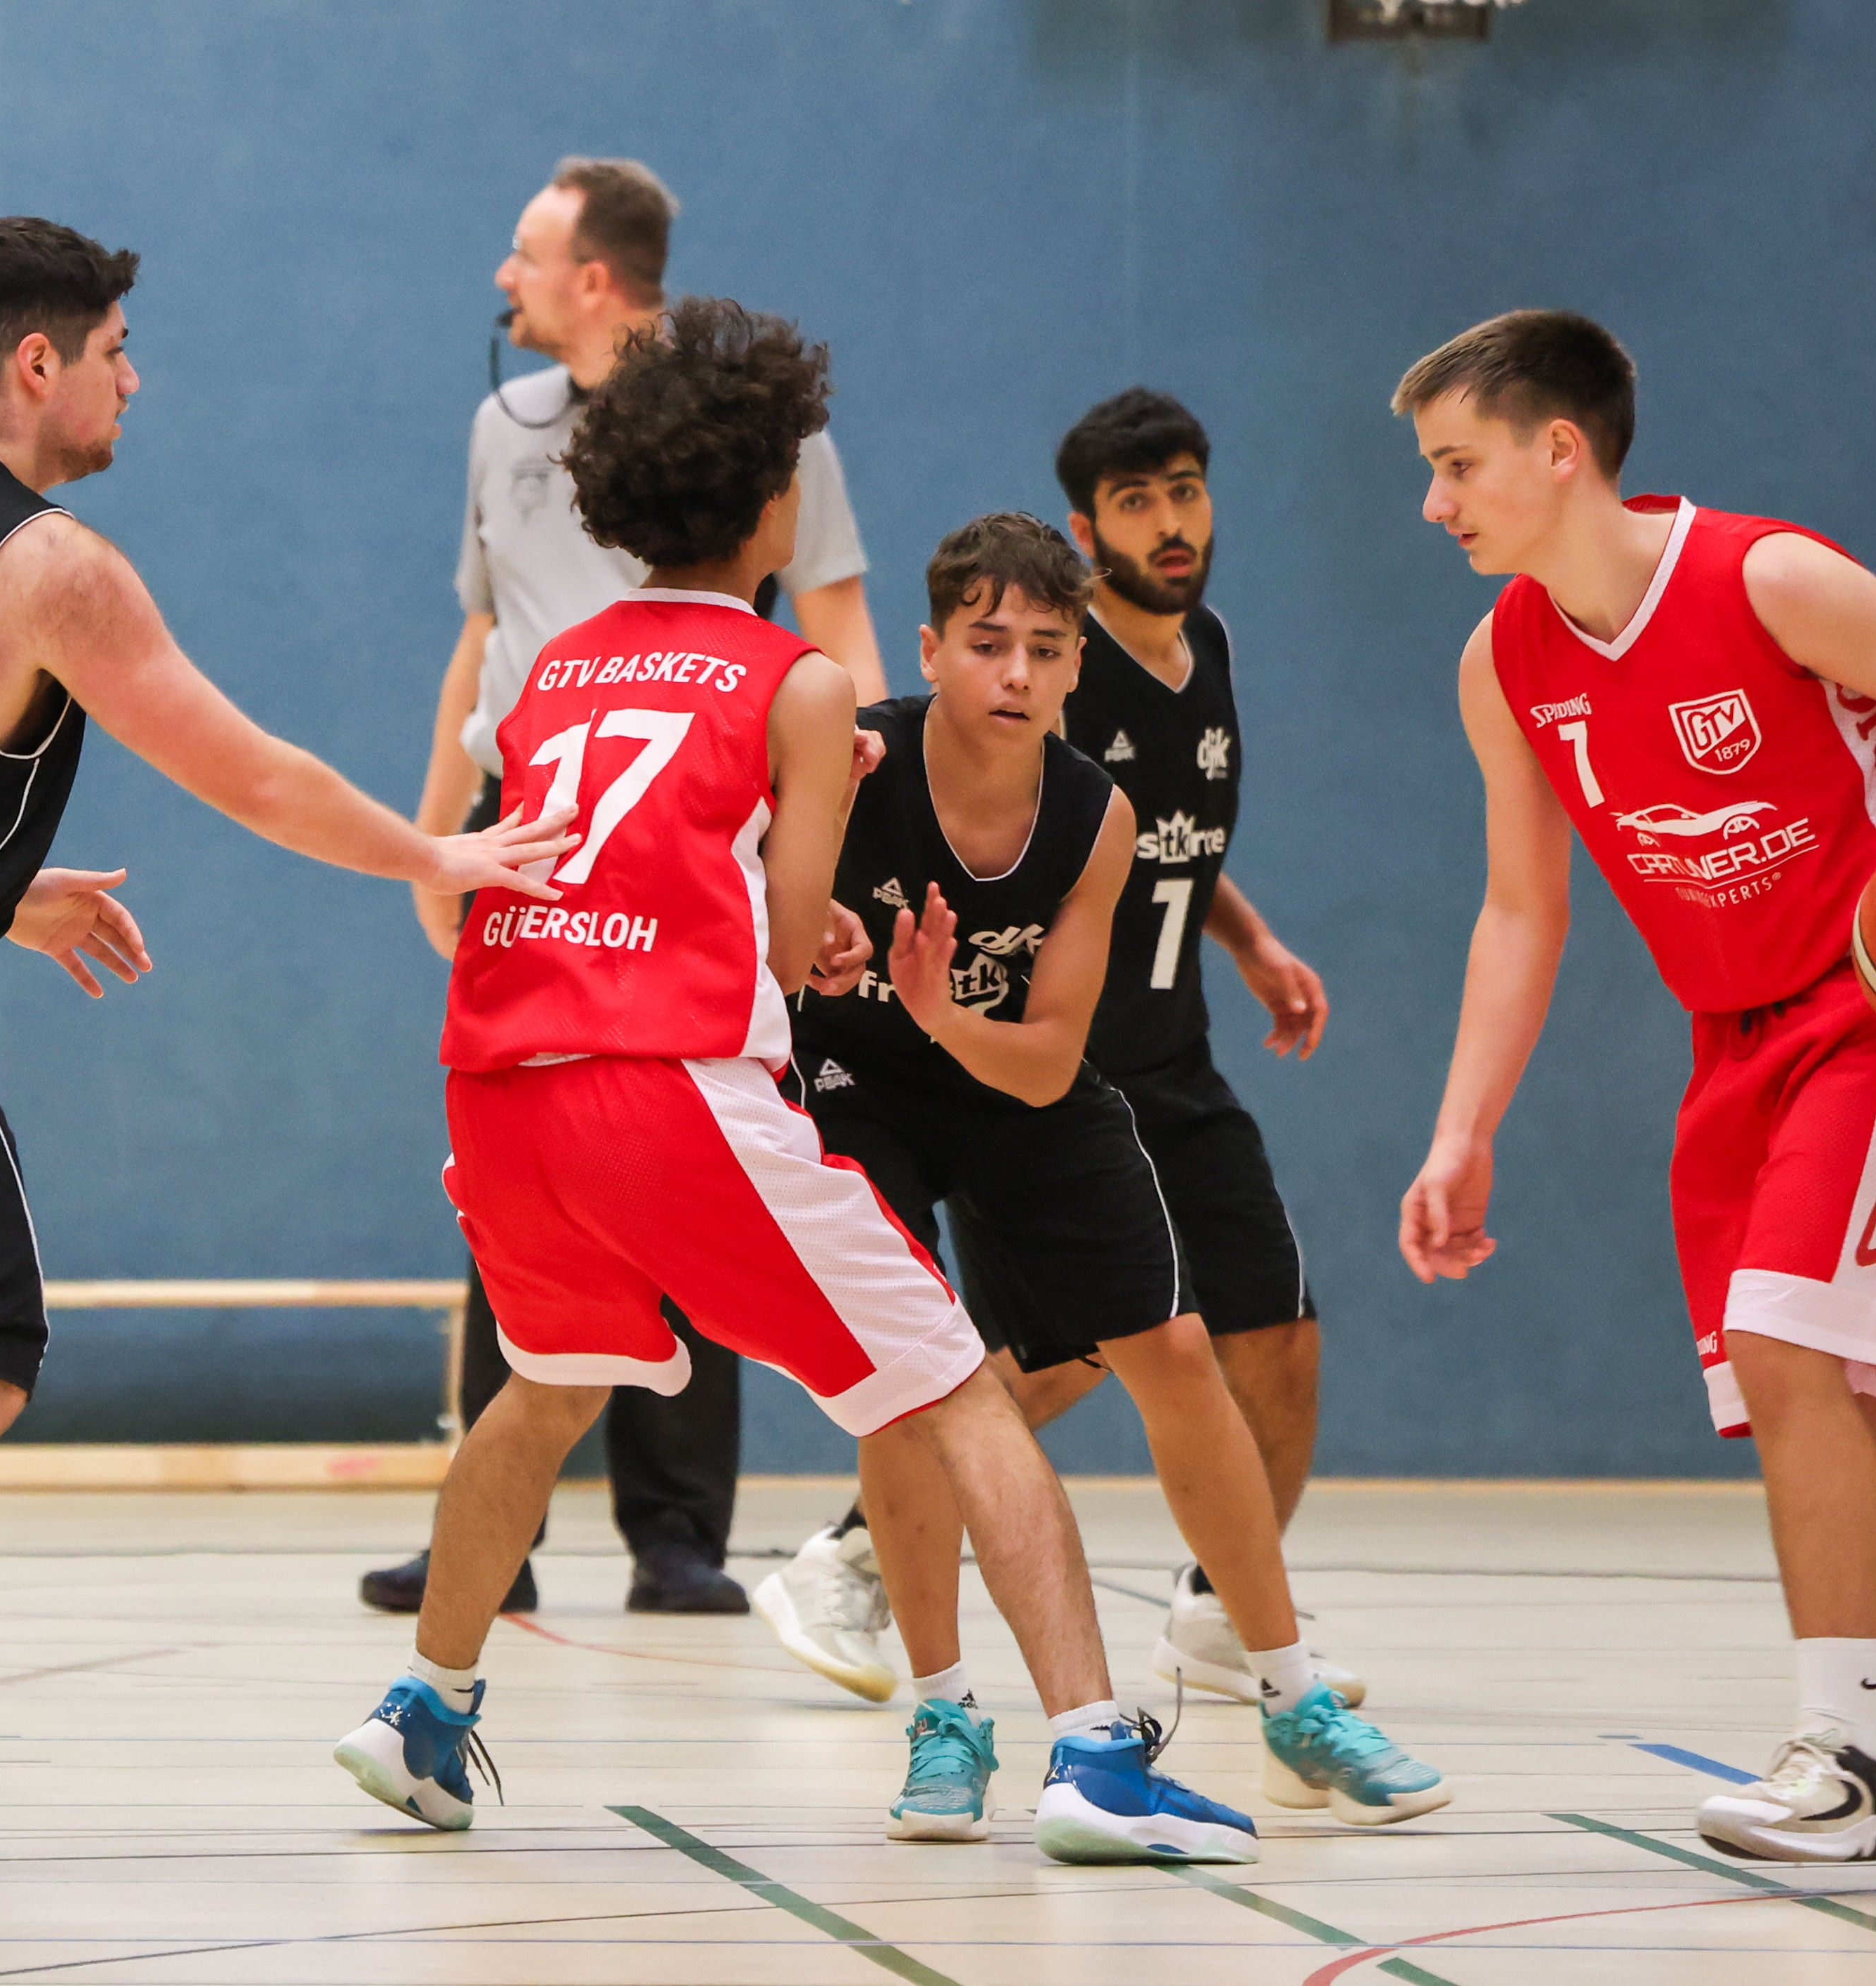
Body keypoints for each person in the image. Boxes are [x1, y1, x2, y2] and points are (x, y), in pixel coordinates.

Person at [0, 217, 571, 1881]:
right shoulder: (48, 559)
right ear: (36, 363)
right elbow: (253, 772)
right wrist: (437, 851)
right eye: (117, 350)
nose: (135, 381)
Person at [333, 298, 1255, 1867]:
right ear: (772, 503)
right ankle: (1098, 1755)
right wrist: (811, 916)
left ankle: (424, 1702)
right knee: (960, 1389)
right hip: (666, 1083)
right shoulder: (801, 682)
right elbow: (784, 932)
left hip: (498, 1080)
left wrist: (778, 904)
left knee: (541, 1389)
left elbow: (644, 854)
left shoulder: (558, 663)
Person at [1391, 308, 1876, 1879]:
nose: (1435, 501)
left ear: (1558, 449)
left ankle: (1853, 1761)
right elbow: (1521, 907)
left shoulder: (1766, 578)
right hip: (1733, 1041)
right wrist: (1463, 1127)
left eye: (1457, 465)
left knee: (1793, 1352)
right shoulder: (1503, 662)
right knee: (1844, 1428)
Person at [774, 512, 1444, 1842]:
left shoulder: (1095, 812)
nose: (1015, 672)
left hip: (1005, 1074)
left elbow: (1044, 1062)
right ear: (929, 650)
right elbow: (747, 910)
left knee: (1176, 1349)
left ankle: (1292, 1698)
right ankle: (944, 1719)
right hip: (857, 1083)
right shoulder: (854, 761)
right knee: (909, 1390)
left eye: (1045, 646)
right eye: (987, 644)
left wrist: (939, 1010)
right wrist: (812, 942)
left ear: (1078, 664)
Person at [363, 157, 889, 1619]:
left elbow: (839, 618)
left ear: (594, 275)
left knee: (697, 1123)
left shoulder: (767, 431)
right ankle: (497, 1528)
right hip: (532, 813)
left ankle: (676, 1529)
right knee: (523, 1135)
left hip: (705, 798)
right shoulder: (503, 425)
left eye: (524, 252)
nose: (503, 277)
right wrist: (435, 834)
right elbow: (479, 637)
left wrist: (841, 828)